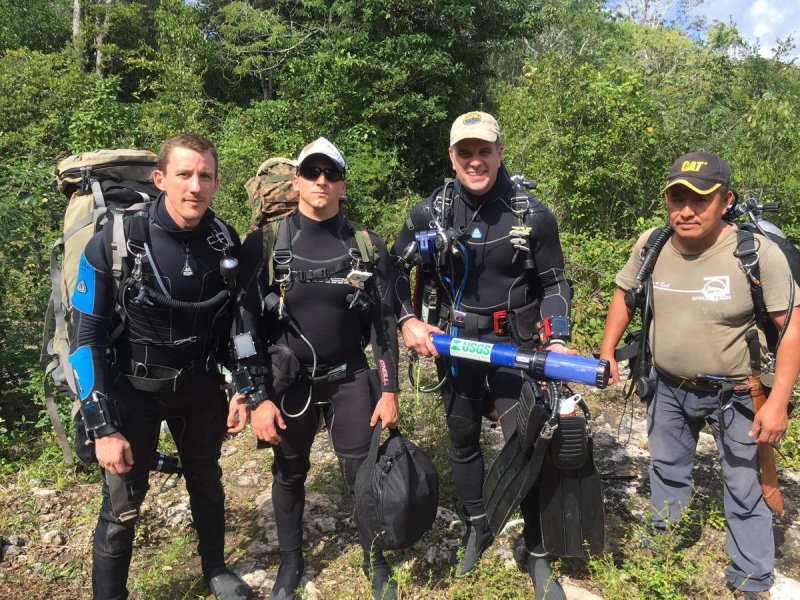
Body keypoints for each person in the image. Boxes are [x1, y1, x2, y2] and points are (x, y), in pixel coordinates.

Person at [599, 152, 800, 599]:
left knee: (745, 483)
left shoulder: (756, 254)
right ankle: (663, 544)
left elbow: (791, 330)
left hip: (739, 393)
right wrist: (608, 350)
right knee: (667, 468)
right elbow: (624, 295)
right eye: (677, 198)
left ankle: (751, 579)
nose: (686, 210)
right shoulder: (652, 244)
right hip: (668, 386)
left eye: (700, 200)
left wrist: (780, 402)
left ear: (725, 201)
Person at [390, 111, 573, 597]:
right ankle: (477, 524)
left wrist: (556, 336)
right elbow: (390, 273)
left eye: (484, 150)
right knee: (463, 435)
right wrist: (409, 320)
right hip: (456, 344)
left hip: (516, 347)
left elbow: (553, 280)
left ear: (499, 152)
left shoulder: (531, 213)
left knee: (527, 444)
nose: (475, 160)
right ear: (452, 157)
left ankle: (537, 553)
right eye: (465, 152)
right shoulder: (428, 213)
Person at [68, 133, 251, 600]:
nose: (195, 186)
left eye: (205, 175)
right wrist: (102, 427)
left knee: (206, 482)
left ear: (216, 182)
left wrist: (242, 386)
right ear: (160, 179)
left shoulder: (223, 239)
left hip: (200, 389)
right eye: (184, 174)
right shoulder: (115, 241)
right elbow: (84, 339)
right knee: (122, 506)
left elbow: (236, 323)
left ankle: (215, 567)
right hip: (134, 391)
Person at [230, 137, 400, 600]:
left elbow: (383, 324)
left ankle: (375, 557)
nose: (321, 181)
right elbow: (244, 326)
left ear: (343, 184)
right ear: (298, 181)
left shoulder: (366, 245)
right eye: (312, 172)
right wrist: (258, 396)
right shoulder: (264, 244)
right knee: (289, 471)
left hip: (349, 376)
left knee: (360, 472)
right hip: (289, 379)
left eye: (331, 173)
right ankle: (291, 563)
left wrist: (389, 390)